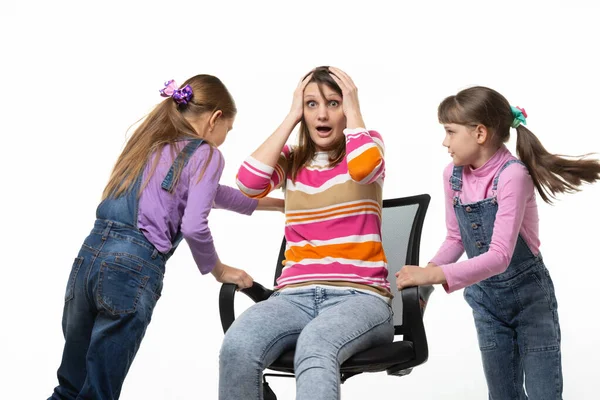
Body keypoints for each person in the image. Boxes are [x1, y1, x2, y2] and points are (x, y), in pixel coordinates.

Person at [49, 75, 283, 400]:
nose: (223, 141)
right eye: (226, 131)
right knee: (98, 393)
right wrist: (220, 270)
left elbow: (217, 194)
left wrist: (282, 205)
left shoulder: (151, 145)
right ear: (215, 119)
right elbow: (194, 226)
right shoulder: (206, 154)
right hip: (130, 269)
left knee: (70, 389)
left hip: (88, 260)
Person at [396, 86, 600, 399]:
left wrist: (435, 276)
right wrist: (428, 275)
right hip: (486, 303)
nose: (444, 142)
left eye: (450, 132)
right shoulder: (452, 175)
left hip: (531, 302)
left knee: (545, 394)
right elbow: (455, 237)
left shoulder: (512, 176)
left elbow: (500, 256)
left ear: (479, 133)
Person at [219, 66, 393, 400]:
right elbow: (247, 183)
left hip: (360, 298)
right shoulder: (291, 160)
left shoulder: (369, 145)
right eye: (312, 104)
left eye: (334, 103)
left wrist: (355, 108)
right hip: (293, 297)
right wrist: (290, 117)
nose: (322, 114)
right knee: (238, 346)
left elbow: (364, 168)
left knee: (316, 345)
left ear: (348, 109)